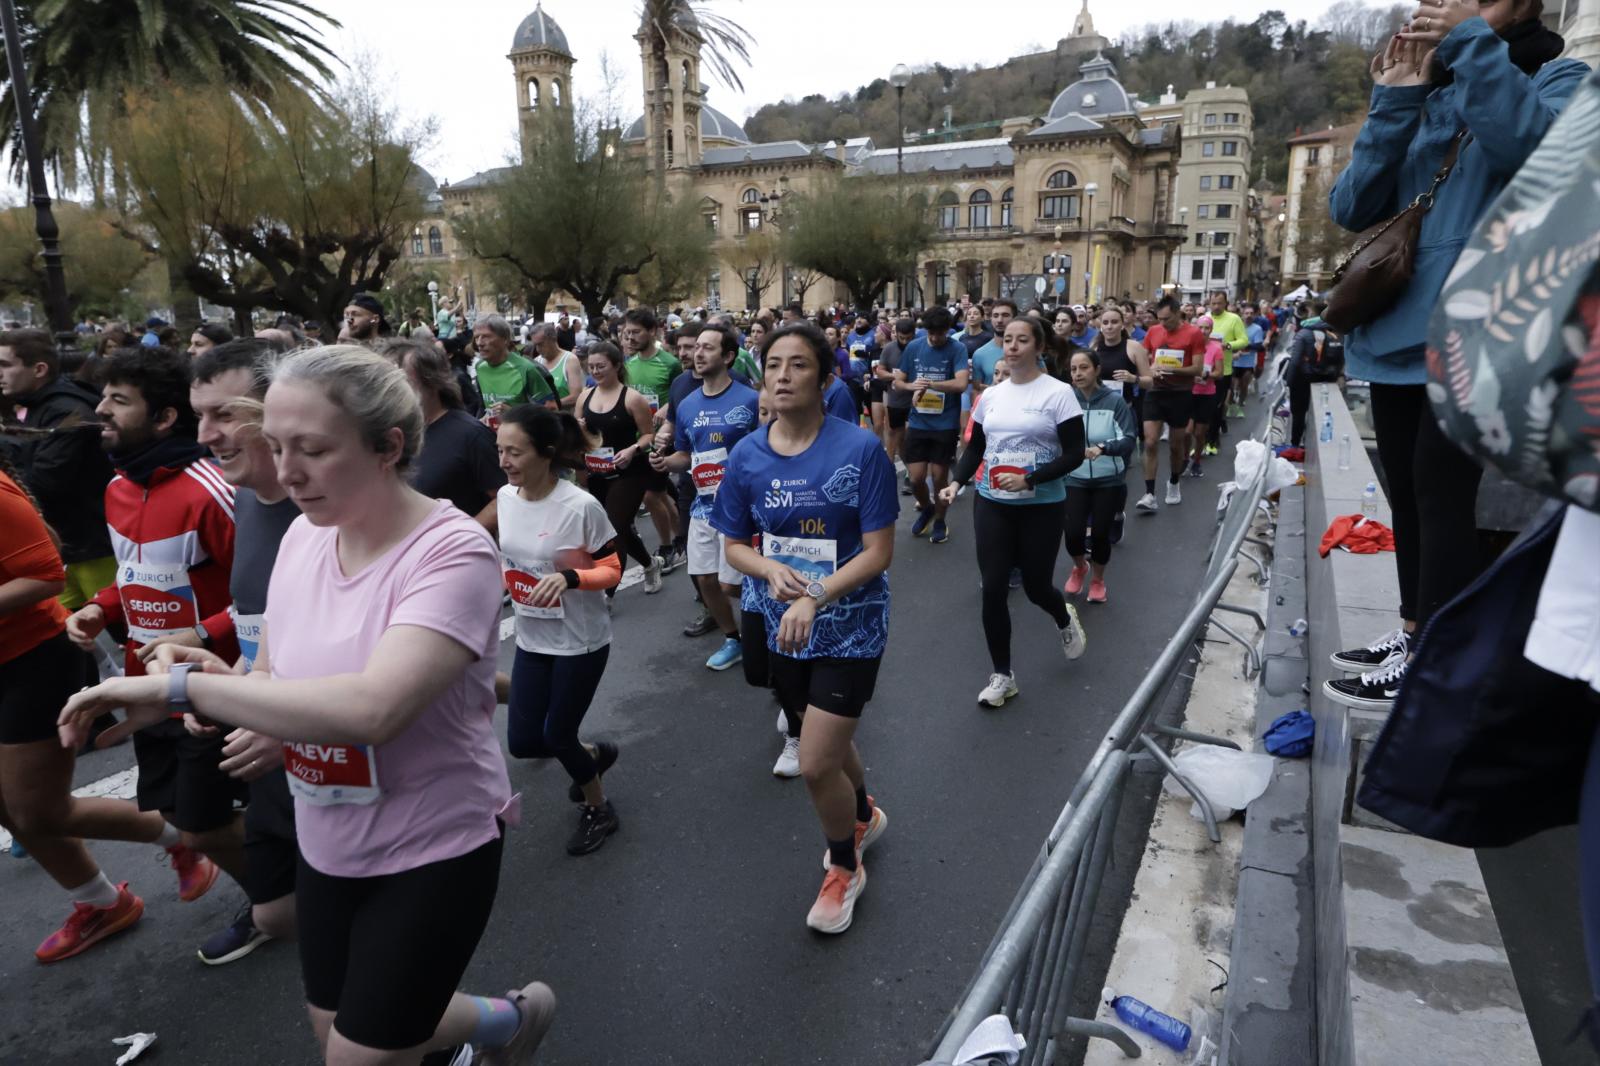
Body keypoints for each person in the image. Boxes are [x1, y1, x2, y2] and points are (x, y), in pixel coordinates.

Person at [60, 344, 556, 1064]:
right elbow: (273, 677)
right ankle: (507, 1024)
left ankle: (485, 1028)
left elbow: (374, 708)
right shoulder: (301, 538)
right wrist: (225, 685)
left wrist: (180, 687)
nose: (287, 472)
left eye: (313, 451)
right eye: (278, 447)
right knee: (336, 1027)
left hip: (434, 842)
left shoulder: (450, 552)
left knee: (357, 1055)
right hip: (326, 838)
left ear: (388, 446)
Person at [1323, 0, 1585, 709]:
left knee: (1443, 494)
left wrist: (1469, 44)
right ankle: (1414, 631)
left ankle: (1438, 659)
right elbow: (1351, 206)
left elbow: (1535, 158)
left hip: (1479, 327)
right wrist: (1395, 103)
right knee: (1407, 493)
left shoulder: (1560, 80)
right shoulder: (1429, 90)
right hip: (1396, 329)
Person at [712, 321, 896, 934]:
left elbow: (877, 553)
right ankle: (864, 812)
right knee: (821, 736)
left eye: (797, 365)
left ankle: (845, 866)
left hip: (850, 623)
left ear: (825, 376)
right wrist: (768, 569)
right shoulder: (747, 454)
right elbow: (733, 543)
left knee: (816, 761)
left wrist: (814, 593)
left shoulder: (859, 448)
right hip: (779, 624)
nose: (783, 376)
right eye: (773, 365)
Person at [64, 346, 244, 905]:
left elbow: (272, 595)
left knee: (206, 821)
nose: (102, 410)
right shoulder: (118, 488)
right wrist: (101, 607)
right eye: (103, 396)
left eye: (120, 400)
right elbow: (137, 573)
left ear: (165, 416)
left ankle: (281, 898)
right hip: (150, 686)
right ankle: (280, 891)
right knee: (174, 811)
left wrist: (203, 635)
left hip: (215, 682)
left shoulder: (212, 490)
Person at [0, 452, 165, 963]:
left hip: (30, 659)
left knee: (38, 810)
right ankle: (100, 902)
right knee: (8, 805)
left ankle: (195, 833)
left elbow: (46, 575)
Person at [186, 339, 303, 965]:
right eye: (199, 415)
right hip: (273, 751)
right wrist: (219, 678)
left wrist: (291, 727)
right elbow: (263, 629)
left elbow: (380, 657)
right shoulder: (245, 504)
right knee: (278, 913)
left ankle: (478, 1025)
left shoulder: (328, 515)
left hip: (344, 764)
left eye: (224, 413)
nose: (206, 434)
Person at [496, 403, 624, 857]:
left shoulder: (578, 505)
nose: (504, 461)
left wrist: (571, 578)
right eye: (500, 450)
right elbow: (510, 559)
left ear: (546, 453)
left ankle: (599, 808)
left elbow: (612, 568)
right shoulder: (506, 498)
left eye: (514, 452)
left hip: (580, 641)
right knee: (524, 741)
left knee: (557, 736)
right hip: (533, 637)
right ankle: (594, 756)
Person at [941, 316, 1087, 708]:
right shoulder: (991, 396)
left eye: (1023, 340)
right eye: (1008, 339)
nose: (1013, 346)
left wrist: (1031, 479)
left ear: (1039, 347)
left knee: (1038, 587)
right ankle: (1003, 675)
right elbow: (975, 448)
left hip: (1042, 504)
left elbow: (1074, 453)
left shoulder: (1058, 394)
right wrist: (957, 482)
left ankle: (1062, 617)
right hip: (992, 502)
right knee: (993, 587)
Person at [651, 324, 759, 672]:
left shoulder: (750, 399)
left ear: (728, 356)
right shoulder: (687, 404)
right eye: (696, 347)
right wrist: (666, 462)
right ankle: (734, 638)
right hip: (702, 505)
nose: (697, 354)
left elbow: (769, 449)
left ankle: (773, 617)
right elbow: (686, 454)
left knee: (733, 582)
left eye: (707, 348)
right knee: (705, 579)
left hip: (741, 507)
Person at [0, 328, 118, 612]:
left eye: (4, 365)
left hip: (93, 547)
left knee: (122, 630)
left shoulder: (67, 410)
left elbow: (44, 481)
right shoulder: (39, 405)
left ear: (39, 369)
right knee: (70, 630)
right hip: (71, 545)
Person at [577, 342, 667, 595]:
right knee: (621, 528)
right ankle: (650, 565)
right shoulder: (585, 396)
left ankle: (608, 594)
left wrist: (632, 450)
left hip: (630, 473)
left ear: (617, 366)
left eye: (601, 366)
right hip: (597, 472)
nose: (595, 371)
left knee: (613, 531)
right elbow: (577, 435)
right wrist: (580, 430)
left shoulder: (632, 398)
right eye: (591, 366)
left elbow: (648, 434)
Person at [387, 339, 505, 528]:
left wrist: (463, 537)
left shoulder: (471, 434)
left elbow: (504, 498)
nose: (393, 388)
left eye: (403, 379)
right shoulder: (394, 436)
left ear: (432, 381)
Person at [1063, 350, 1138, 605]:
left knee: (1100, 535)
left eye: (1084, 367)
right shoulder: (1065, 400)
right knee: (1072, 535)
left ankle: (1097, 580)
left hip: (1108, 478)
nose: (1078, 373)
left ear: (1096, 369)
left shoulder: (1114, 401)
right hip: (1074, 476)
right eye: (1074, 369)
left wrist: (1103, 448)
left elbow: (1128, 438)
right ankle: (1079, 566)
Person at [893, 306, 970, 544]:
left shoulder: (957, 348)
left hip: (945, 423)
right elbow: (899, 382)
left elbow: (960, 384)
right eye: (931, 333)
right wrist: (913, 387)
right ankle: (927, 508)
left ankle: (939, 520)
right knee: (915, 479)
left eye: (940, 333)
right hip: (918, 422)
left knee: (939, 478)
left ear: (948, 330)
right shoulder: (915, 347)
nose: (936, 338)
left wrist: (931, 385)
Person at [619, 308, 685, 575]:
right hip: (636, 440)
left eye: (636, 332)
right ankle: (682, 538)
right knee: (662, 496)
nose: (630, 338)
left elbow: (684, 392)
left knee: (651, 495)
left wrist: (667, 408)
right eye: (627, 333)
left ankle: (668, 547)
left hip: (661, 438)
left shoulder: (669, 363)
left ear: (653, 332)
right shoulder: (628, 364)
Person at [1135, 295, 1207, 513]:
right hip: (1156, 391)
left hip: (1180, 393)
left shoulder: (1193, 333)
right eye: (1160, 319)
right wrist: (1149, 368)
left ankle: (1174, 482)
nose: (1163, 323)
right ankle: (1149, 494)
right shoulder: (1154, 331)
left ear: (1177, 314)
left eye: (1167, 319)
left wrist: (1170, 368)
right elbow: (1143, 356)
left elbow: (1197, 369)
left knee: (1176, 445)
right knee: (1149, 441)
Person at [472, 314, 555, 418]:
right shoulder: (480, 367)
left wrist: (513, 413)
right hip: (493, 433)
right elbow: (482, 406)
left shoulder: (527, 369)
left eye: (486, 337)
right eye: (476, 337)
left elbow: (551, 409)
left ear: (505, 339)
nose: (479, 343)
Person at [1286, 306, 1345, 448]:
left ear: (1312, 313)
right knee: (1321, 414)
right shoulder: (1335, 332)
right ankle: (1315, 443)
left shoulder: (1304, 333)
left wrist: (1289, 382)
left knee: (1299, 414)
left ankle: (1295, 444)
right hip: (1327, 380)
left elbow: (1295, 361)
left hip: (1302, 380)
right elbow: (1341, 358)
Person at [872, 319, 916, 488]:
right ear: (896, 334)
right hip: (896, 400)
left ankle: (913, 473)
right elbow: (880, 371)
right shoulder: (890, 348)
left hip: (916, 400)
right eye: (902, 338)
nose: (905, 341)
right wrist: (894, 376)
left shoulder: (919, 347)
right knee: (895, 436)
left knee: (911, 435)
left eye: (908, 338)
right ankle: (894, 470)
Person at [1091, 307, 1152, 428]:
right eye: (1105, 322)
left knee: (1122, 446)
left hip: (1124, 411)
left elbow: (1150, 382)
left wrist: (1133, 379)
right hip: (1097, 410)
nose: (1109, 326)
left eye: (1114, 322)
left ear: (1122, 325)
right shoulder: (1094, 347)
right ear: (1101, 327)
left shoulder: (1134, 347)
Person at [1185, 315, 1224, 479]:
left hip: (1207, 395)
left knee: (1200, 434)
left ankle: (1197, 461)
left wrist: (1207, 375)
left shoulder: (1216, 348)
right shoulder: (1188, 347)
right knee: (1186, 432)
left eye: (1206, 328)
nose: (1203, 331)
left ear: (1211, 330)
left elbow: (1220, 373)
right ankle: (1185, 458)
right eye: (1200, 327)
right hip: (1189, 393)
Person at [529, 322, 583, 412]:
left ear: (553, 339)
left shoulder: (570, 360)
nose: (537, 349)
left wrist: (552, 405)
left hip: (564, 420)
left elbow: (576, 396)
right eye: (535, 345)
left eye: (541, 344)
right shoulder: (537, 362)